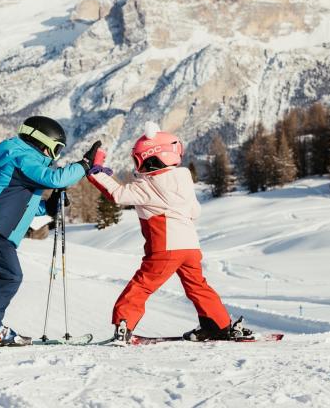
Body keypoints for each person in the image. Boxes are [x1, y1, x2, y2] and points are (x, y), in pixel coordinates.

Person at [87, 122, 248, 344]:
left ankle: (124, 325)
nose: (138, 165)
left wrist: (95, 171)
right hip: (190, 247)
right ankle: (218, 326)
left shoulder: (149, 185)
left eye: (138, 160)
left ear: (152, 158)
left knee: (142, 284)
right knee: (198, 286)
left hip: (165, 247)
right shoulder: (183, 179)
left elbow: (117, 194)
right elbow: (195, 211)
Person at [0, 116, 101, 346]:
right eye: (56, 148)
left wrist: (48, 207)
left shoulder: (22, 160)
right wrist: (84, 165)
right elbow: (54, 178)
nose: (55, 155)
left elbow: (25, 206)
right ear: (42, 141)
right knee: (8, 276)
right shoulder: (22, 156)